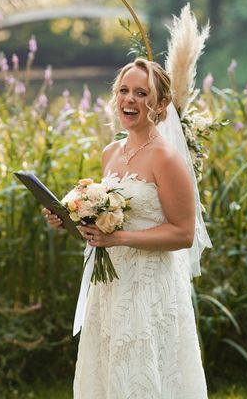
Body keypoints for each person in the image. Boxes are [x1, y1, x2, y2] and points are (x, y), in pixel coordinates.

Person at [43, 58, 207, 398]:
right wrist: (70, 219)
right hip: (111, 283)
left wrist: (119, 238)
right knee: (110, 371)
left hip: (149, 285)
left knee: (144, 372)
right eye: (123, 91)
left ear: (160, 104)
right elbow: (107, 218)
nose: (128, 100)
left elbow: (183, 233)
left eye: (140, 93)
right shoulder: (110, 153)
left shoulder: (167, 158)